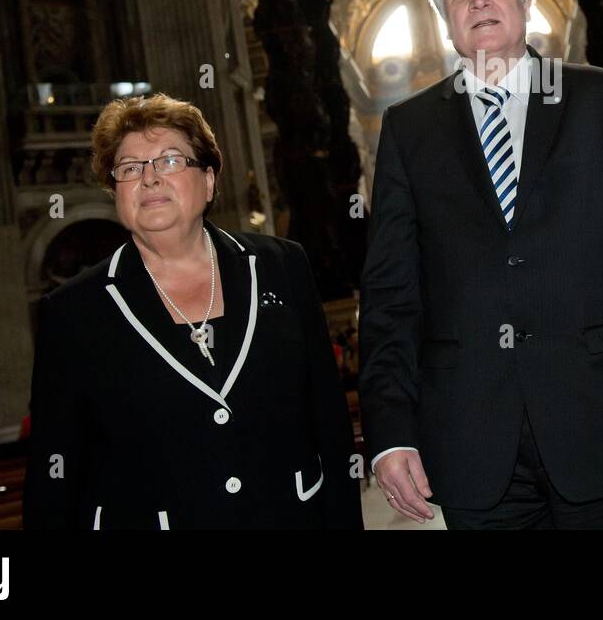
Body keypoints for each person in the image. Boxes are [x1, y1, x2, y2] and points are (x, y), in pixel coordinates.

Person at [360, 0, 603, 530]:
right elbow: (391, 294)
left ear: (524, 1)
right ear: (446, 25)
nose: (479, 0)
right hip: (470, 442)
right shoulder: (408, 129)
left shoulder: (602, 96)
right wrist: (389, 435)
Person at [23, 93, 362, 530]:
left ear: (207, 181)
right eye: (129, 169)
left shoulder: (282, 266)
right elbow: (55, 476)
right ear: (116, 194)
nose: (149, 179)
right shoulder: (73, 312)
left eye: (168, 161)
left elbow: (329, 424)